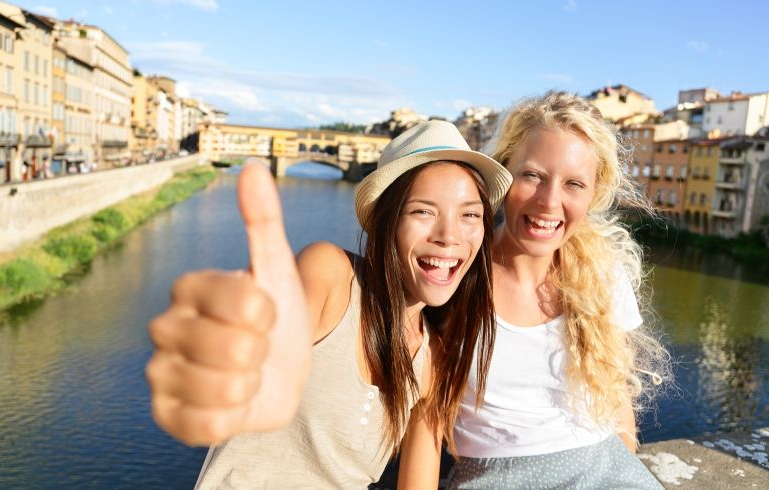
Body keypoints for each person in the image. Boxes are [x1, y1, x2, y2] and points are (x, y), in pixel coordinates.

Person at [145, 120, 512, 488]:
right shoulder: (331, 275)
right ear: (385, 221)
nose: (449, 236)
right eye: (423, 212)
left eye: (469, 215)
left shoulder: (431, 361)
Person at [399, 92, 671, 489]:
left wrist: (624, 472)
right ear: (503, 174)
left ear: (593, 194)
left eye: (574, 184)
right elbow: (426, 421)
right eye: (533, 176)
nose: (549, 202)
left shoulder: (602, 274)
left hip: (605, 472)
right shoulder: (454, 275)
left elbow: (618, 401)